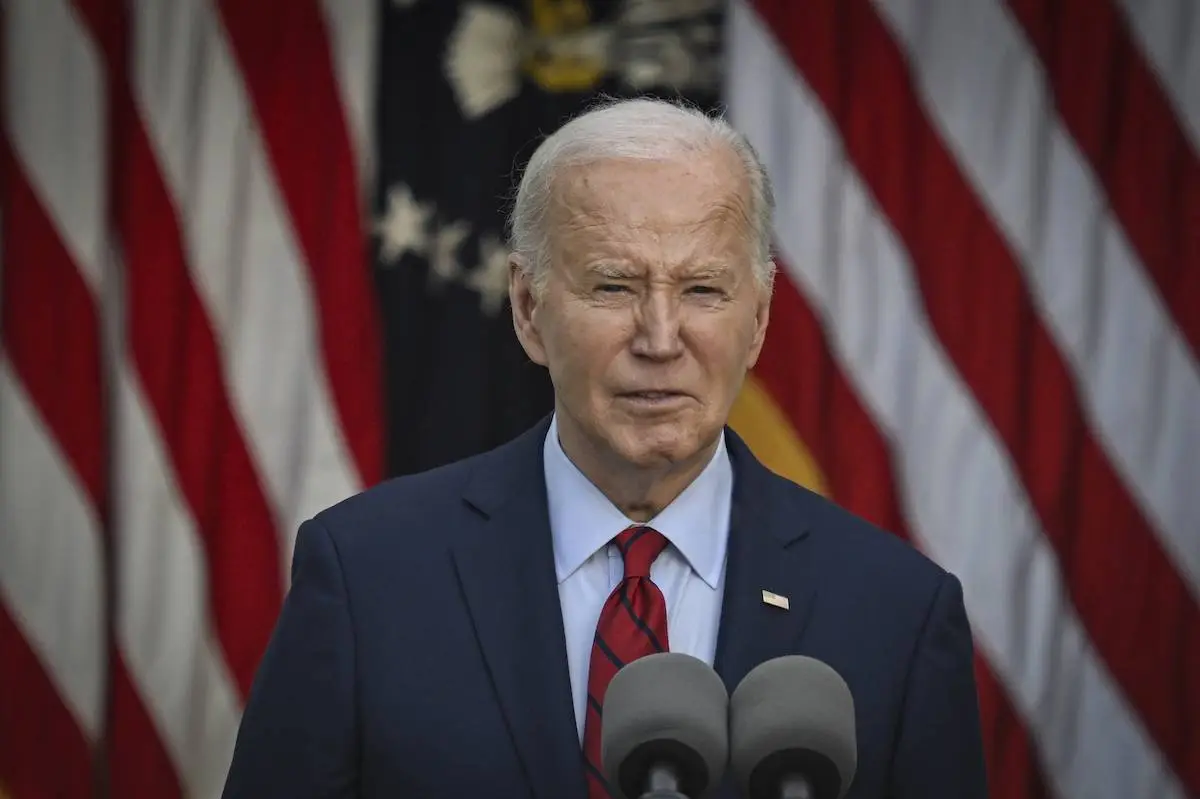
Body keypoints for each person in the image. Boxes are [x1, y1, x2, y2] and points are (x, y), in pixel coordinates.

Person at [221, 97, 987, 798]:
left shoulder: (898, 614)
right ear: (528, 308)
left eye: (703, 290)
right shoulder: (367, 576)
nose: (660, 339)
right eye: (614, 287)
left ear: (756, 322)